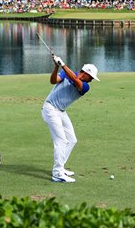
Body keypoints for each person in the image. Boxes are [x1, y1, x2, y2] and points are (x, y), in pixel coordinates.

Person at [41, 54, 99, 183]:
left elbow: (74, 79)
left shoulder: (85, 86)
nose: (91, 80)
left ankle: (60, 167)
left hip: (61, 111)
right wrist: (56, 67)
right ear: (85, 73)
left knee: (72, 140)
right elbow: (53, 81)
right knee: (61, 141)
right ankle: (57, 174)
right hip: (50, 109)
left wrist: (62, 64)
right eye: (91, 77)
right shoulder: (66, 73)